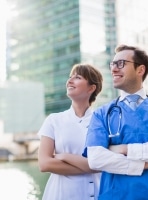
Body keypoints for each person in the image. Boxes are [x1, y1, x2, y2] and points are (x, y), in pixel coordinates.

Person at [82, 44, 148, 200]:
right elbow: (95, 158)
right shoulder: (102, 114)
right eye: (113, 64)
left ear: (140, 70)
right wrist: (146, 162)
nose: (114, 69)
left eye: (120, 64)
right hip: (115, 195)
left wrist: (123, 148)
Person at [37, 64, 103, 200]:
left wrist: (64, 156)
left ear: (91, 88)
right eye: (70, 77)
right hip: (60, 194)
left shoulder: (102, 122)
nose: (70, 81)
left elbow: (104, 163)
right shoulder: (53, 120)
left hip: (95, 194)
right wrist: (91, 166)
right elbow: (44, 164)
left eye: (77, 77)